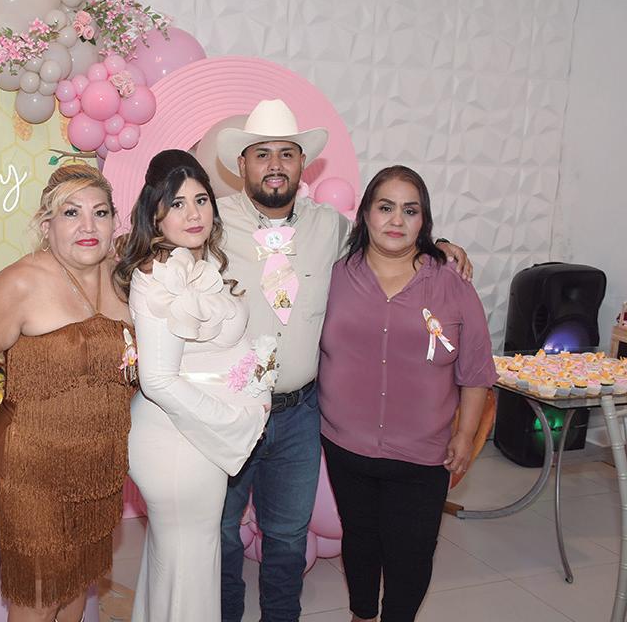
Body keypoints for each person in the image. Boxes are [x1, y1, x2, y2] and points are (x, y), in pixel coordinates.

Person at [214, 99, 472, 622]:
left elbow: (389, 241)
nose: (275, 165)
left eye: (287, 154)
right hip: (227, 410)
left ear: (302, 165)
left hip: (299, 414)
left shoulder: (330, 227)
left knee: (287, 536)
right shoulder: (210, 223)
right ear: (241, 163)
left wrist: (440, 246)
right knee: (220, 534)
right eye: (261, 154)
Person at [0, 164, 134, 622]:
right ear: (47, 226)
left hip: (98, 466)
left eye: (100, 212)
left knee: (77, 581)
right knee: (39, 594)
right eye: (71, 213)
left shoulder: (124, 278)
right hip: (32, 470)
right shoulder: (21, 283)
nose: (88, 226)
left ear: (114, 221)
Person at [318, 165, 496, 622]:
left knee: (412, 550)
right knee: (360, 537)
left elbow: (476, 369)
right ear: (365, 214)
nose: (396, 220)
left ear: (424, 220)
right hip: (345, 444)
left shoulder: (451, 283)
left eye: (410, 210)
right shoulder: (334, 275)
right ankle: (361, 615)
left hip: (423, 451)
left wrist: (466, 434)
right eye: (385, 207)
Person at [113, 149, 272, 621]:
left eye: (201, 200)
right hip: (178, 441)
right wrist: (237, 419)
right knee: (189, 565)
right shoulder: (159, 275)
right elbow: (158, 379)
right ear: (155, 214)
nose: (193, 214)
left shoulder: (195, 265)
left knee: (179, 564)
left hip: (194, 435)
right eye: (177, 204)